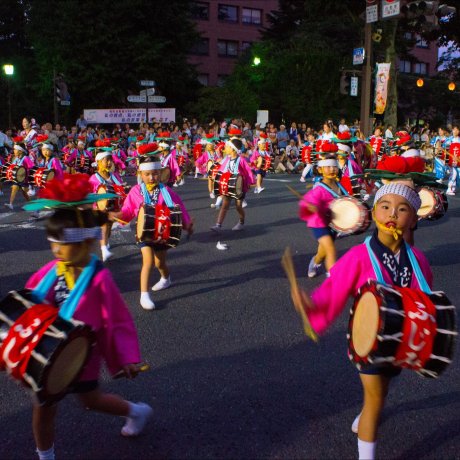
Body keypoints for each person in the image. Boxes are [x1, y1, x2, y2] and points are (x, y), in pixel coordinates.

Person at [290, 182, 433, 460]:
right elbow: (335, 288)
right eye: (385, 206)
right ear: (373, 213)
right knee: (375, 398)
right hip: (367, 338)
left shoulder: (417, 259)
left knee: (383, 390)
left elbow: (424, 298)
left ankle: (366, 413)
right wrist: (313, 303)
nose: (393, 213)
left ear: (413, 219)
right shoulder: (358, 255)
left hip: (400, 340)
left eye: (402, 209)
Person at [21, 174, 152, 460]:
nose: (55, 251)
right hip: (48, 352)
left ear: (83, 243)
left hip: (83, 354)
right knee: (43, 408)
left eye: (61, 245)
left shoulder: (98, 278)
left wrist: (126, 357)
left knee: (90, 400)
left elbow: (117, 319)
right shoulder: (52, 270)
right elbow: (29, 302)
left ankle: (136, 411)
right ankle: (46, 456)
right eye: (53, 244)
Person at [110, 156, 193, 310]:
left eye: (154, 174)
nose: (151, 177)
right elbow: (128, 210)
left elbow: (179, 207)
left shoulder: (166, 191)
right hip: (144, 232)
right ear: (141, 174)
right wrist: (117, 215)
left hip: (162, 232)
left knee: (159, 262)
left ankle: (166, 278)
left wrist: (186, 223)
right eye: (147, 174)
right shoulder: (136, 191)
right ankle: (144, 295)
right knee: (147, 261)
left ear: (160, 173)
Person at [299, 154, 348, 277]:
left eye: (334, 167)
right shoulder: (319, 188)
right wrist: (311, 207)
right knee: (330, 249)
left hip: (333, 223)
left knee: (323, 251)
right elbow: (309, 201)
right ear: (320, 169)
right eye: (327, 167)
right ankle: (332, 278)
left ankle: (315, 262)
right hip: (319, 223)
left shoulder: (339, 185)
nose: (332, 170)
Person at [210, 138, 255, 232]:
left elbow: (248, 171)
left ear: (233, 149)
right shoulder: (227, 159)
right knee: (224, 205)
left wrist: (250, 182)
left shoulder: (241, 159)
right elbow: (221, 170)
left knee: (238, 206)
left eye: (227, 147)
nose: (225, 148)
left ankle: (241, 222)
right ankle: (218, 225)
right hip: (228, 185)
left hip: (239, 186)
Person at [4, 139, 35, 210]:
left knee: (25, 194)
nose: (14, 151)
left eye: (15, 150)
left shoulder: (26, 158)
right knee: (14, 188)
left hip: (25, 179)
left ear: (20, 151)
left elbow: (32, 167)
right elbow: (12, 166)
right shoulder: (16, 158)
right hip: (17, 179)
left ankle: (34, 205)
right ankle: (11, 204)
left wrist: (26, 172)